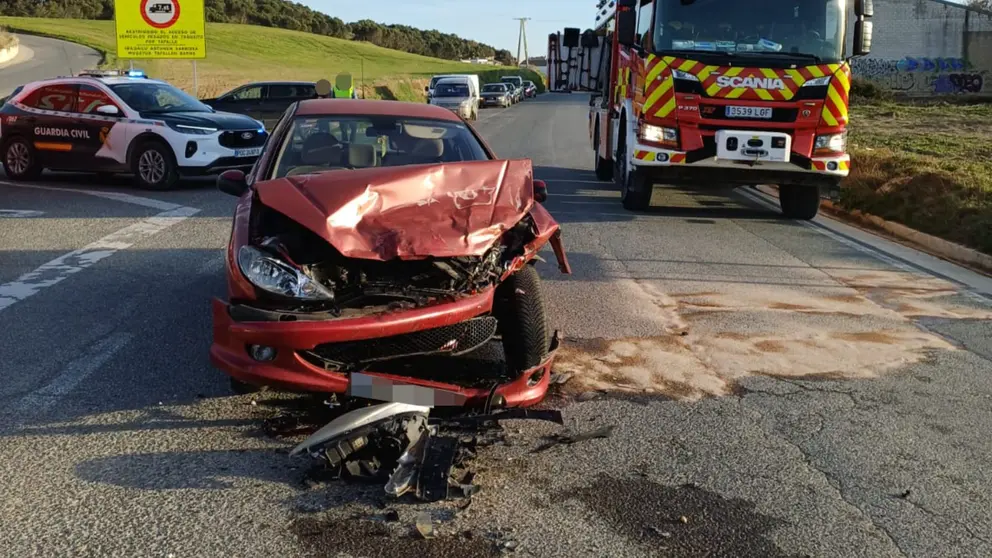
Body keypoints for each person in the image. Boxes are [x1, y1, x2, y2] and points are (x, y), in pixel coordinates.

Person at [332, 72, 359, 141]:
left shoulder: (335, 88)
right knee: (354, 128)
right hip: (351, 112)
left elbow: (332, 100)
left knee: (343, 130)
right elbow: (356, 101)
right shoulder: (351, 88)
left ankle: (345, 145)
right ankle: (352, 143)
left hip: (340, 112)